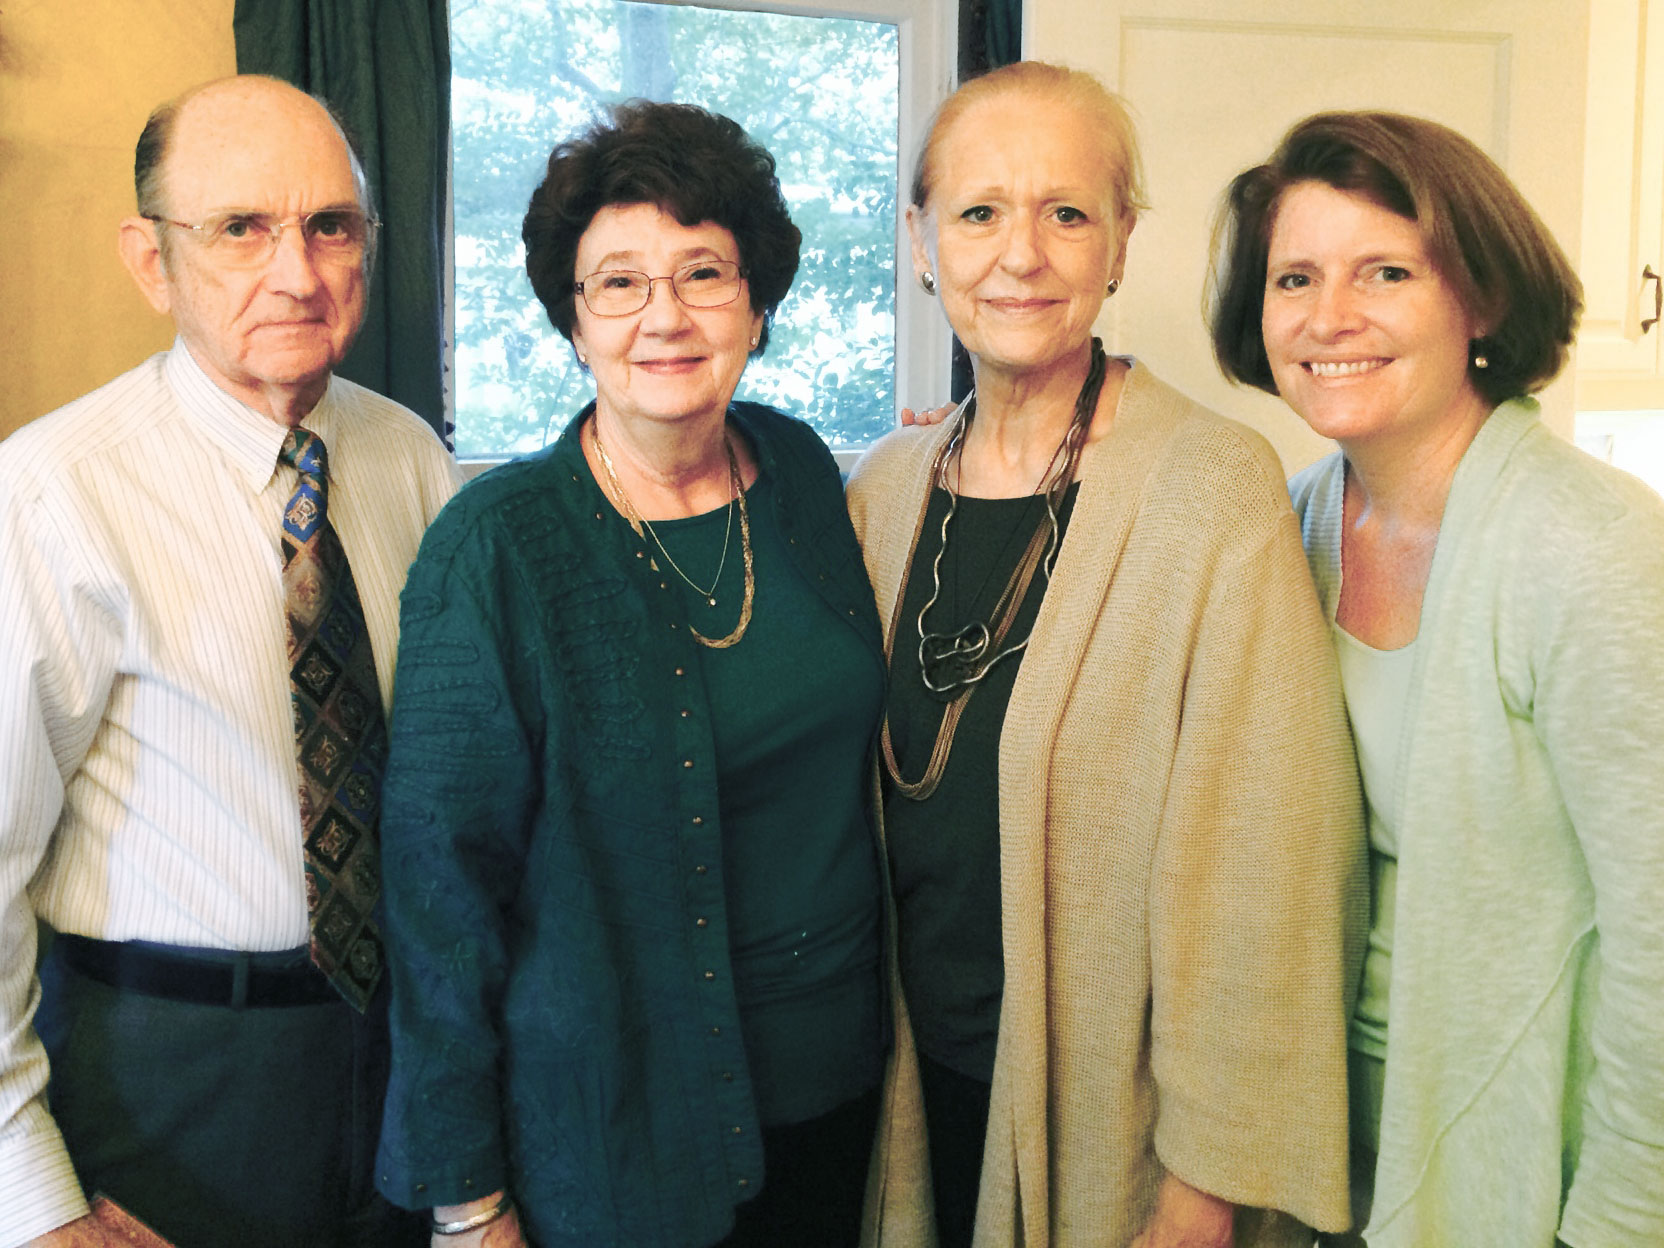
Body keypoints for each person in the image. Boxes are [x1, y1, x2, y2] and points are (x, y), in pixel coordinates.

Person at [848, 61, 1366, 1248]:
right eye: (978, 213)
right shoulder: (881, 489)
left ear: (1119, 243)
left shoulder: (1210, 487)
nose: (1017, 255)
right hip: (915, 1089)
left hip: (1117, 1131)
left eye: (1065, 212)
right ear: (920, 242)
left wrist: (1204, 1185)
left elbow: (1271, 866)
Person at [372, 100, 888, 1248]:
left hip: (849, 1094)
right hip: (619, 1129)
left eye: (703, 272)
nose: (664, 315)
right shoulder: (495, 547)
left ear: (756, 302)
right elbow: (439, 902)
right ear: (572, 319)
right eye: (617, 283)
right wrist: (467, 1203)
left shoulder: (799, 471)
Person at [0, 76, 462, 1248]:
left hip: (398, 1054)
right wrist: (34, 1203)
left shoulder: (408, 457)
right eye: (240, 228)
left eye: (329, 226)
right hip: (167, 1078)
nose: (296, 273)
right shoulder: (51, 493)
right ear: (151, 260)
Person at [1209, 110, 1664, 1248]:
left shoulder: (1588, 546)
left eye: (1385, 272)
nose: (1327, 318)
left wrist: (1615, 1221)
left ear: (1482, 300)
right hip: (1330, 1143)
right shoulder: (1296, 524)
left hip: (1531, 1160)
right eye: (1293, 278)